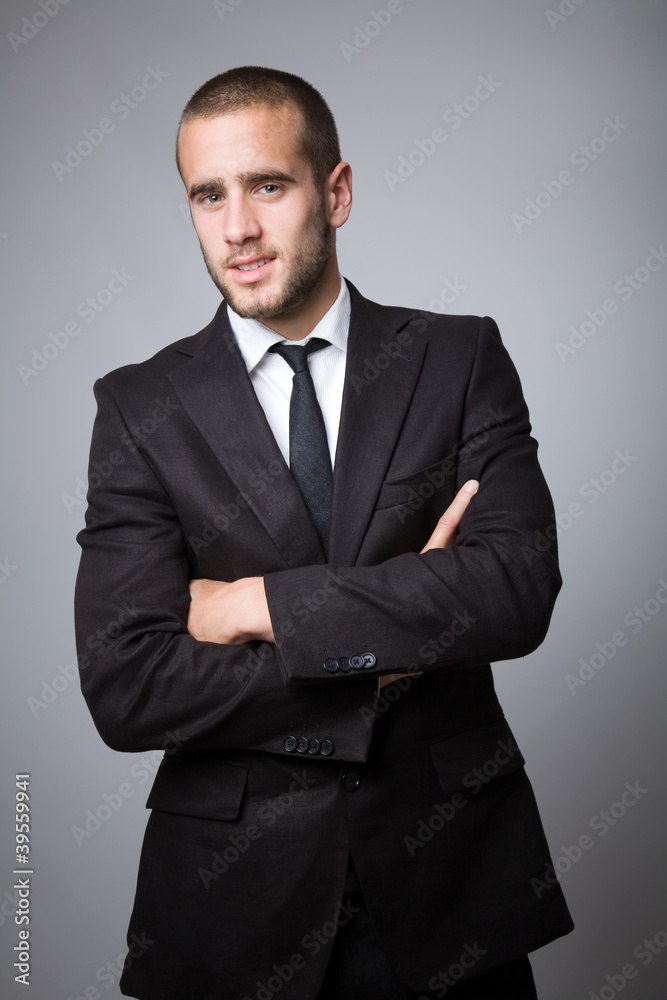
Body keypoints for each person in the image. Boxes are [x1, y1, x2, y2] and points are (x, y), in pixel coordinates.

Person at [74, 65, 573, 1000]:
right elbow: (127, 686)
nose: (238, 230)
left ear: (334, 192)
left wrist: (256, 605)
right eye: (207, 195)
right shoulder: (140, 406)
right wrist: (389, 643)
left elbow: (513, 586)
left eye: (267, 185)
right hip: (231, 910)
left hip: (454, 894)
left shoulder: (456, 356)